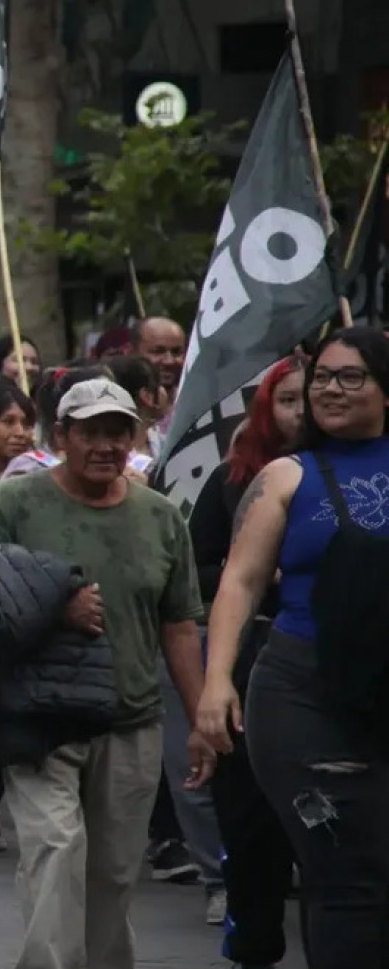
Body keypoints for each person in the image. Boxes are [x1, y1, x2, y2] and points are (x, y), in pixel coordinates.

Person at [0, 377, 209, 969]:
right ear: (60, 437)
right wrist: (50, 605)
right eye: (89, 431)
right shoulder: (14, 503)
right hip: (40, 717)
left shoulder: (161, 517)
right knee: (53, 850)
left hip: (131, 719)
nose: (104, 444)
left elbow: (177, 625)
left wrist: (200, 719)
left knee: (114, 875)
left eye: (117, 431)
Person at [199, 327, 389, 968]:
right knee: (344, 870)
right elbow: (240, 581)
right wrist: (216, 681)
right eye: (323, 377)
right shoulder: (286, 475)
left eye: (351, 376)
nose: (332, 389)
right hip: (302, 693)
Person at [186, 356, 303, 966]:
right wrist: (259, 573)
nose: (303, 410)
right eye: (288, 399)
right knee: (252, 825)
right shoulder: (236, 480)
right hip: (252, 657)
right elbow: (200, 567)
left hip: (332, 668)